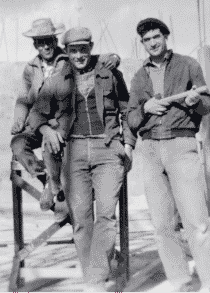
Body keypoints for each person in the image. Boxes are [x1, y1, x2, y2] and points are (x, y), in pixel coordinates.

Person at [31, 26, 135, 292]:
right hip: (74, 153)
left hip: (107, 148)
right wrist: (47, 131)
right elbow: (36, 117)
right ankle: (93, 279)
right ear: (66, 52)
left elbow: (127, 109)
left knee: (106, 215)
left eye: (84, 49)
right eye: (73, 50)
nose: (79, 55)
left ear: (91, 47)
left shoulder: (110, 74)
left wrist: (128, 144)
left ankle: (97, 278)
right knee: (81, 218)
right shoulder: (56, 80)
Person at [126, 18, 210, 292]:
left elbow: (207, 103)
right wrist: (145, 106)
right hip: (150, 151)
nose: (153, 43)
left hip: (181, 146)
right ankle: (180, 281)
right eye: (147, 40)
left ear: (166, 36)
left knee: (197, 221)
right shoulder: (139, 77)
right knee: (162, 224)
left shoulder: (188, 65)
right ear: (142, 43)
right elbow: (132, 118)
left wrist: (196, 102)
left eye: (156, 37)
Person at [10, 18, 120, 211]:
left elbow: (94, 58)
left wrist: (115, 58)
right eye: (40, 42)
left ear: (55, 40)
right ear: (35, 44)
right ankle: (47, 180)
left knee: (52, 146)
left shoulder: (69, 57)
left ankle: (60, 193)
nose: (45, 46)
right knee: (18, 145)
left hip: (61, 121)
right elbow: (23, 99)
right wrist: (19, 120)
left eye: (49, 41)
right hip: (38, 120)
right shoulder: (30, 68)